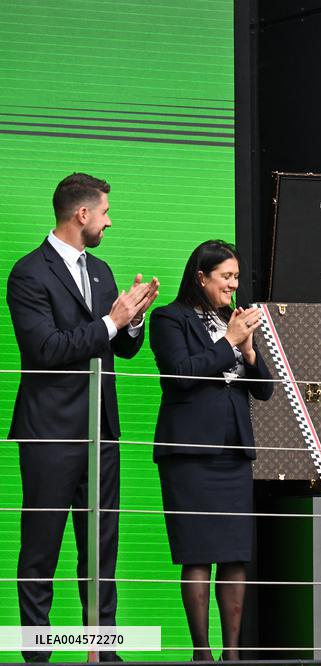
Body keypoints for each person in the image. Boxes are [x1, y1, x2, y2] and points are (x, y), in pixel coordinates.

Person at [6, 173, 158, 662]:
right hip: (50, 433)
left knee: (100, 550)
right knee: (41, 551)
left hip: (102, 431)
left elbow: (121, 348)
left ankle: (103, 653)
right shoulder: (28, 273)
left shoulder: (102, 271)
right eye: (105, 212)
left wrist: (133, 319)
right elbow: (45, 349)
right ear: (83, 213)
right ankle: (37, 657)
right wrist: (113, 321)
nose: (109, 222)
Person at [149, 240, 273, 661]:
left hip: (233, 452)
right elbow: (180, 375)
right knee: (198, 554)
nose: (233, 285)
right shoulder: (169, 318)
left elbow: (265, 390)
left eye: (236, 277)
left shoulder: (232, 319)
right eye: (226, 276)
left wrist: (249, 350)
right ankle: (201, 653)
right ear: (201, 277)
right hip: (190, 455)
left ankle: (231, 654)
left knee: (235, 555)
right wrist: (229, 341)